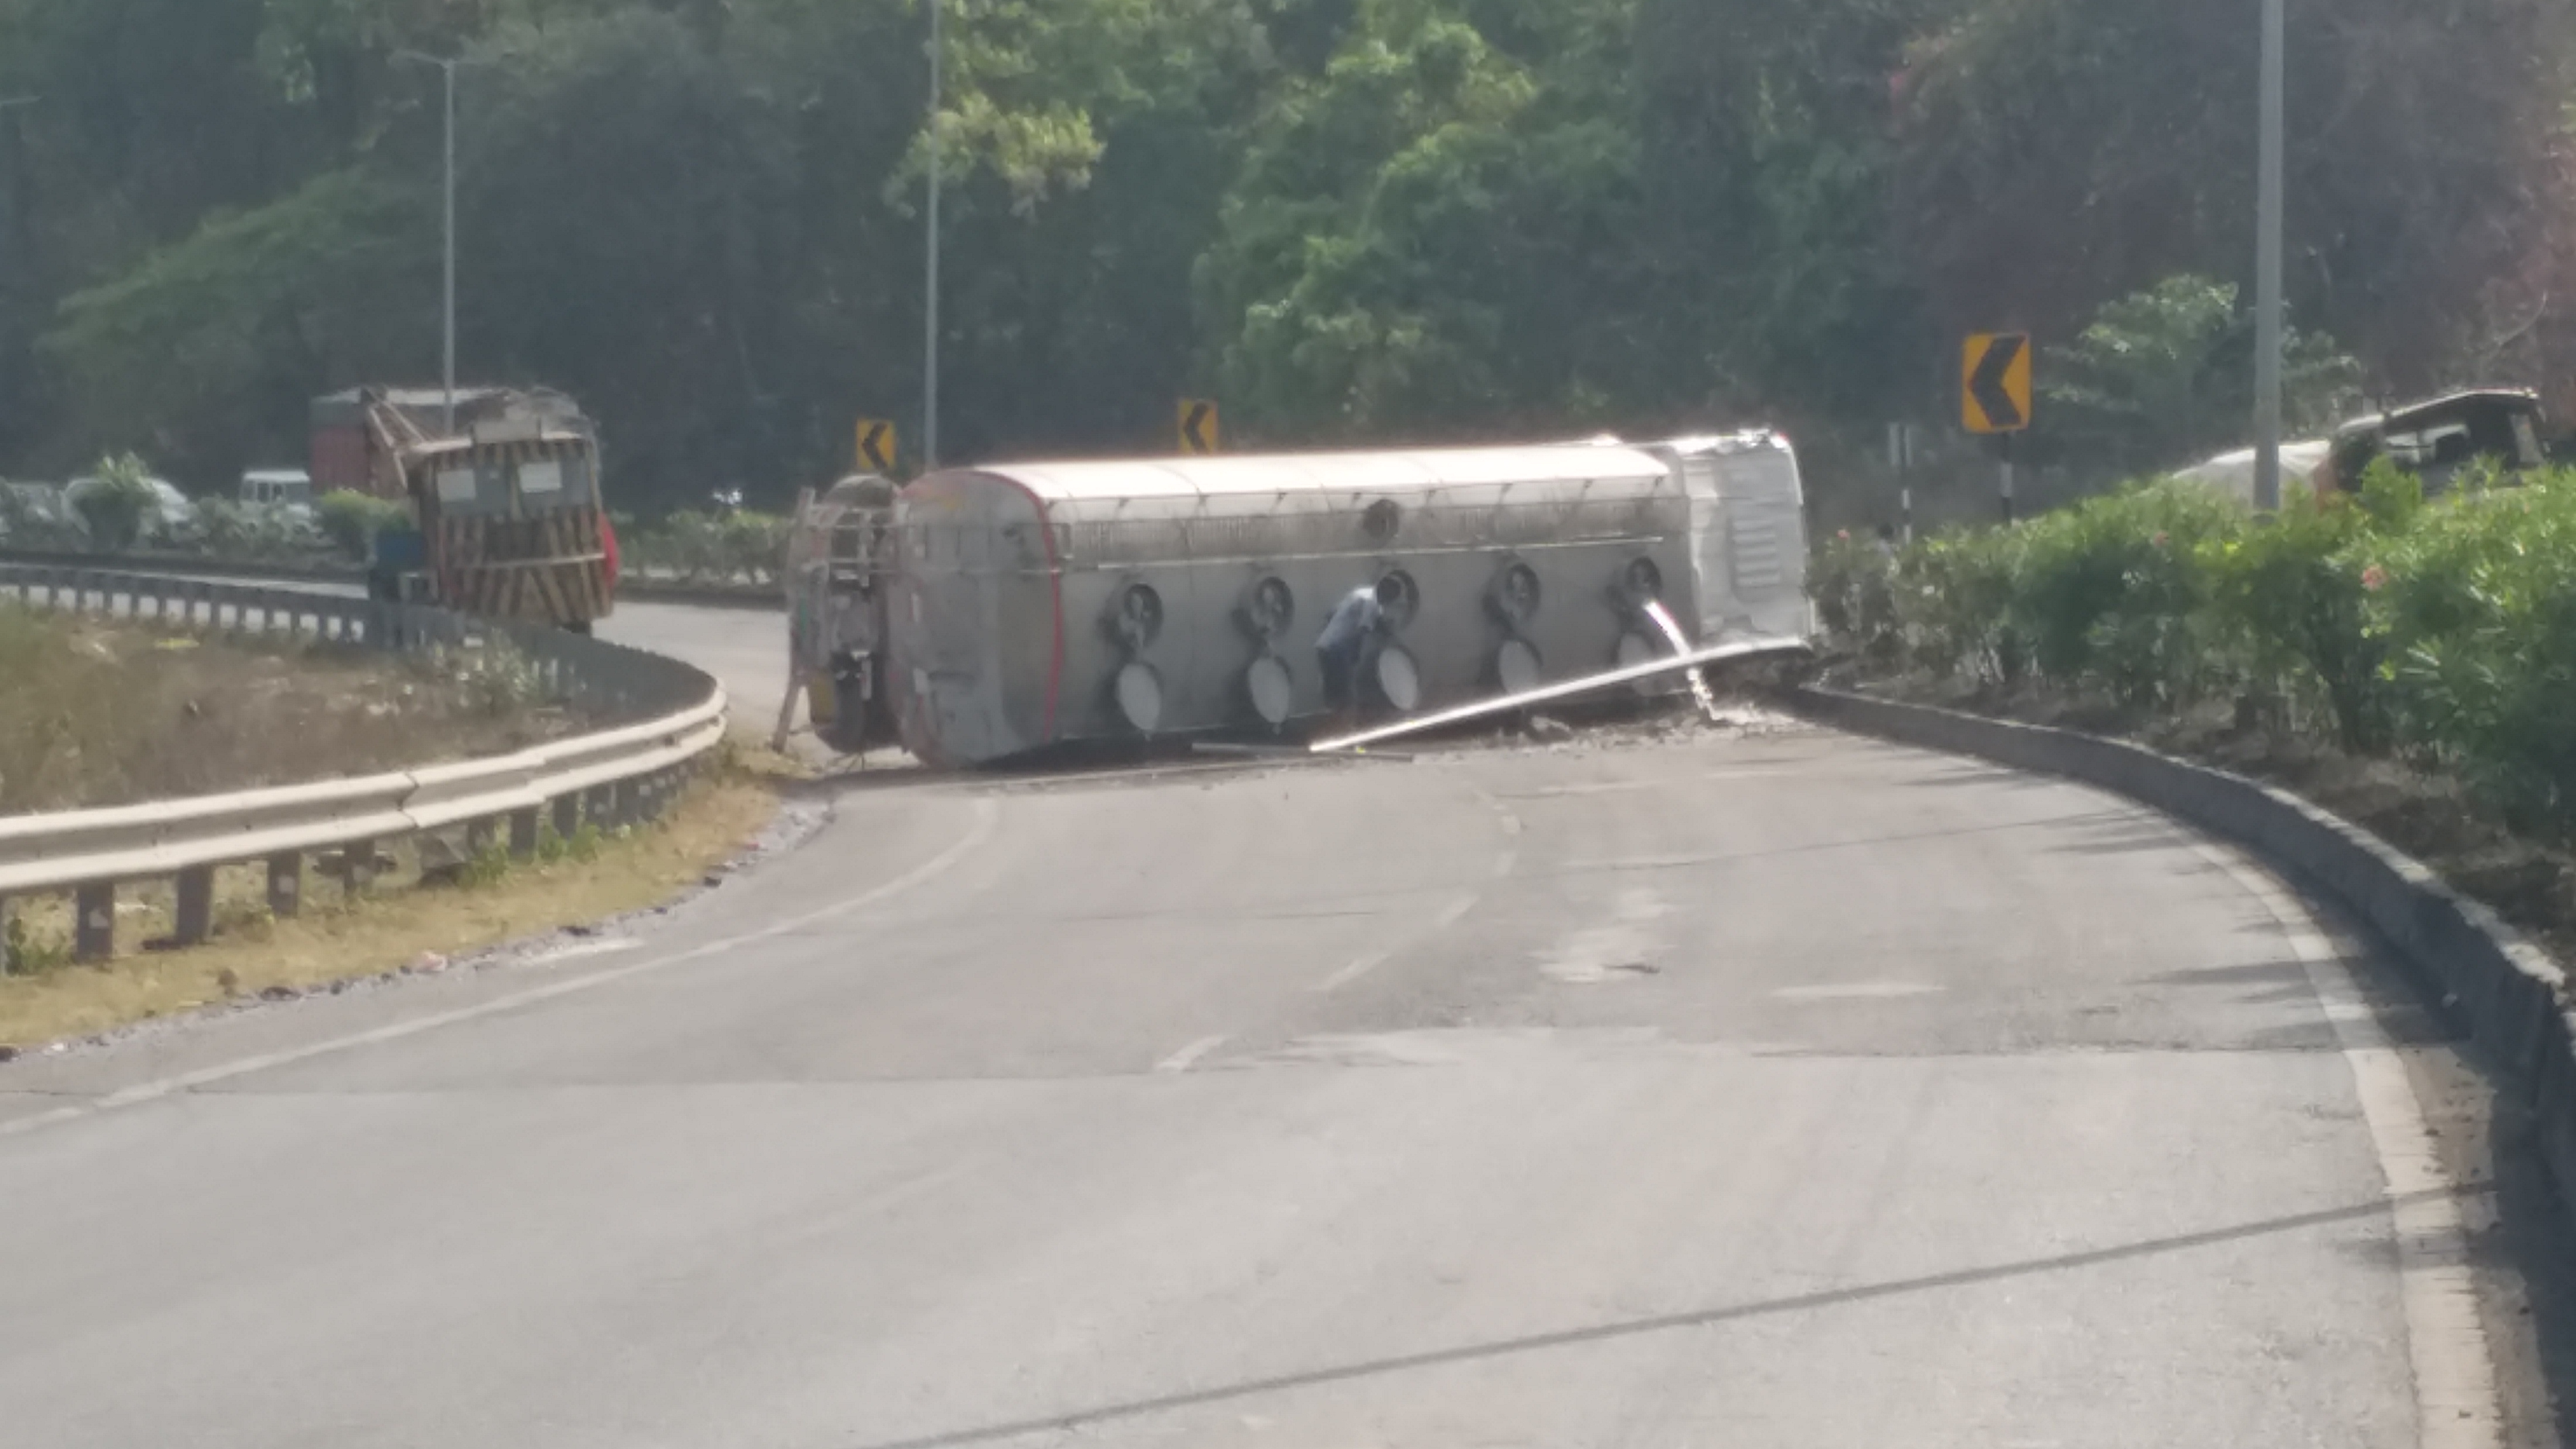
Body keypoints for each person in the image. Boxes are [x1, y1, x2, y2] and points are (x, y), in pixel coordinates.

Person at [1316, 576, 1400, 735]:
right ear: (1386, 592)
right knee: (1346, 692)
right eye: (1391, 597)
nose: (1390, 601)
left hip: (1325, 645)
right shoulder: (1372, 603)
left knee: (1332, 694)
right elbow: (1363, 630)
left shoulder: (1361, 592)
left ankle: (1331, 730)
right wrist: (1356, 654)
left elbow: (1331, 614)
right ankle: (1345, 730)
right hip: (1339, 649)